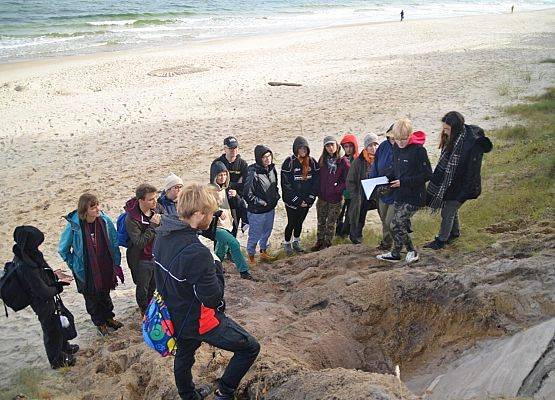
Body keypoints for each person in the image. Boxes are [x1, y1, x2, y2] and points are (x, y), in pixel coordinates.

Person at [153, 183, 260, 400]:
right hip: (197, 319)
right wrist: (216, 265)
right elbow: (212, 298)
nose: (213, 217)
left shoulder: (163, 234)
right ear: (199, 214)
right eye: (211, 213)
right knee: (249, 347)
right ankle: (225, 391)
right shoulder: (198, 253)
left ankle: (189, 396)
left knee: (184, 356)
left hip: (172, 312)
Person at [424, 111, 492, 250]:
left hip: (464, 185)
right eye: (444, 128)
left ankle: (441, 240)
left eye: (447, 129)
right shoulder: (452, 139)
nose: (445, 131)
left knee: (447, 212)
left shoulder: (471, 144)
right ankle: (454, 234)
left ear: (455, 128)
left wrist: (463, 192)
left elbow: (471, 172)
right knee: (449, 209)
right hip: (451, 183)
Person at [59, 193, 124, 336]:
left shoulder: (104, 220)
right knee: (92, 299)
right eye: (93, 207)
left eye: (97, 205)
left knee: (105, 294)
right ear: (84, 210)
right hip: (86, 270)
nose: (97, 209)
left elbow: (113, 241)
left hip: (104, 265)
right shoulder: (74, 226)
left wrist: (116, 262)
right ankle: (100, 323)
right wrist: (75, 264)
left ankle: (109, 318)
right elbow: (63, 249)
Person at [15, 226, 79, 369]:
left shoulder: (31, 254)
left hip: (49, 298)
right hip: (41, 302)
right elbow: (41, 291)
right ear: (29, 244)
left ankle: (64, 347)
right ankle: (56, 360)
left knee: (59, 321)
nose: (38, 246)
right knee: (51, 329)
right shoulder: (25, 265)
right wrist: (59, 286)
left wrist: (54, 275)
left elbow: (43, 272)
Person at [377, 119, 432, 263]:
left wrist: (404, 182)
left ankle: (412, 251)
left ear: (410, 135)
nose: (401, 143)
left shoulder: (419, 151)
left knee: (396, 224)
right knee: (395, 225)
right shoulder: (396, 148)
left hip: (415, 196)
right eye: (397, 139)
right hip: (400, 194)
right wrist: (387, 179)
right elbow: (396, 169)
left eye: (404, 139)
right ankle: (395, 253)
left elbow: (427, 174)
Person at [210, 161, 253, 280]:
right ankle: (244, 271)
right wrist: (217, 213)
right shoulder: (208, 191)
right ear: (214, 176)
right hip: (216, 226)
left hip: (228, 224)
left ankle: (214, 268)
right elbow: (204, 208)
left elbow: (239, 205)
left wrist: (236, 196)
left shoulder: (227, 188)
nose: (222, 177)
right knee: (234, 244)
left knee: (221, 250)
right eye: (219, 175)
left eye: (224, 174)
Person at [125, 184, 162, 314]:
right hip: (141, 259)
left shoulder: (157, 209)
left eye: (155, 198)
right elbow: (139, 242)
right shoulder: (131, 219)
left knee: (155, 286)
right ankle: (144, 311)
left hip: (156, 255)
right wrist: (152, 226)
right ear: (141, 200)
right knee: (142, 288)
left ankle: (152, 308)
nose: (155, 201)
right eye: (151, 199)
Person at [281, 136, 320, 256]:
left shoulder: (312, 162)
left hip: (306, 200)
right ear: (296, 149)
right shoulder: (289, 162)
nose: (303, 150)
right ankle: (287, 243)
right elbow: (285, 185)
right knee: (291, 222)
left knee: (300, 222)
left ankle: (296, 241)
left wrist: (310, 199)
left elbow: (316, 182)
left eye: (305, 148)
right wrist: (297, 200)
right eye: (300, 148)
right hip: (292, 202)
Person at [312, 135, 350, 251]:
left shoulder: (343, 162)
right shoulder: (322, 159)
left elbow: (348, 181)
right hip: (322, 197)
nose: (330, 148)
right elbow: (317, 176)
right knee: (321, 221)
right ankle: (319, 242)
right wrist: (318, 190)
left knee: (331, 223)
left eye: (331, 145)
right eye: (327, 146)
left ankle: (327, 244)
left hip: (335, 199)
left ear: (336, 145)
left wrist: (337, 188)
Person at [244, 145, 280, 264]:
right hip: (257, 212)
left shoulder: (272, 169)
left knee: (267, 232)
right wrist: (261, 202)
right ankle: (251, 256)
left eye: (269, 156)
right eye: (264, 157)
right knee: (254, 235)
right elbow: (247, 194)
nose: (267, 159)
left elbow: (275, 186)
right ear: (259, 159)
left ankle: (263, 251)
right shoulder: (252, 173)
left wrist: (276, 196)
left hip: (270, 209)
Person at [212, 136, 249, 236]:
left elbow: (245, 185)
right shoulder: (217, 163)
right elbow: (214, 183)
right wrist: (235, 183)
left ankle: (231, 251)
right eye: (231, 148)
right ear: (225, 149)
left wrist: (233, 188)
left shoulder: (243, 164)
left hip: (236, 201)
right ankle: (220, 252)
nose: (234, 150)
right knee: (221, 231)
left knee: (234, 229)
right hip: (221, 202)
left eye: (236, 148)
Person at [346, 133, 379, 244]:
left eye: (375, 145)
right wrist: (355, 195)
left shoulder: (381, 159)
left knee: (385, 215)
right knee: (359, 214)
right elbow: (350, 180)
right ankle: (356, 237)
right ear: (366, 147)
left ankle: (388, 239)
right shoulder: (358, 161)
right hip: (362, 193)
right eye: (370, 145)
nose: (373, 148)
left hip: (378, 192)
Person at [369, 124, 396, 250]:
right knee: (384, 219)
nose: (393, 139)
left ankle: (399, 245)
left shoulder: (403, 148)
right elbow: (375, 164)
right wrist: (373, 181)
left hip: (396, 190)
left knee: (391, 221)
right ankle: (386, 243)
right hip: (381, 189)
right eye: (391, 136)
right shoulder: (384, 146)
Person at [336, 134, 359, 238]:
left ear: (354, 146)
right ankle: (338, 231)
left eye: (350, 146)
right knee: (340, 211)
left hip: (355, 191)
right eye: (346, 147)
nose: (348, 149)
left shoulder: (358, 160)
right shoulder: (341, 160)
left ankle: (346, 232)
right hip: (344, 190)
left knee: (351, 212)